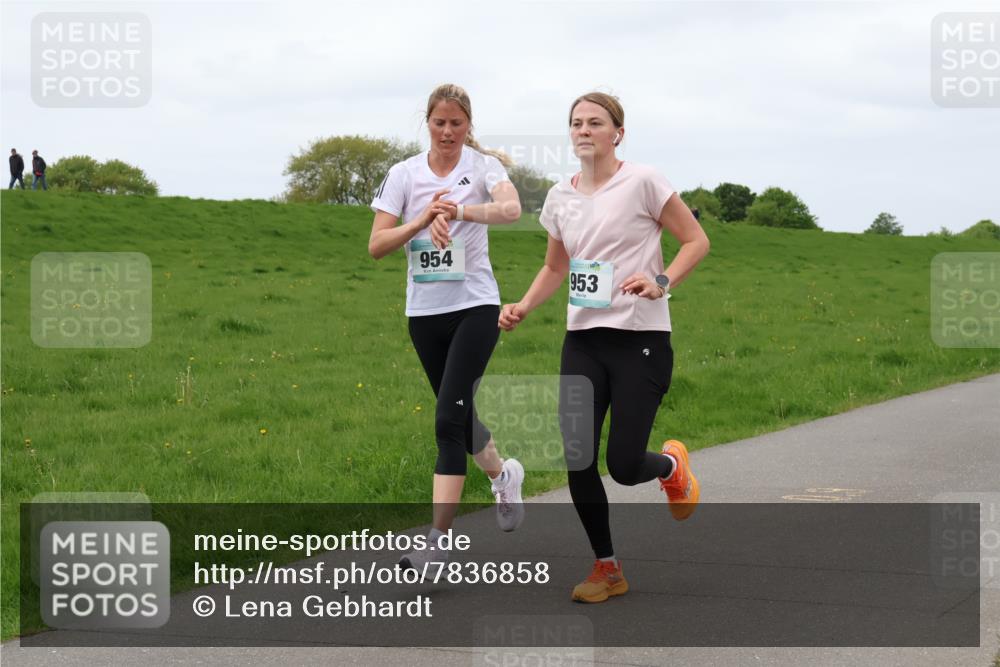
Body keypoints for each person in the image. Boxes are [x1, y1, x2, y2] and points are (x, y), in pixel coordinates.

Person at [499, 92, 710, 603]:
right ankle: (607, 567)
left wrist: (661, 281)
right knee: (577, 457)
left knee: (623, 465)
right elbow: (556, 266)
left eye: (595, 122)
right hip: (583, 342)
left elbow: (696, 240)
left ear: (618, 133)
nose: (584, 130)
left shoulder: (643, 181)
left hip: (640, 340)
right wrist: (524, 305)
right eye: (576, 123)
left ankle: (670, 467)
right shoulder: (559, 197)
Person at [369, 83, 526, 571]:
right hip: (424, 315)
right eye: (439, 122)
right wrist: (421, 221)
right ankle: (503, 477)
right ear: (428, 122)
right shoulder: (403, 173)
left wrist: (458, 210)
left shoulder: (484, 167)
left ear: (468, 125)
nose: (447, 131)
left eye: (457, 123)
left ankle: (437, 544)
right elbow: (376, 245)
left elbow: (511, 210)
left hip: (475, 307)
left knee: (445, 422)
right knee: (459, 415)